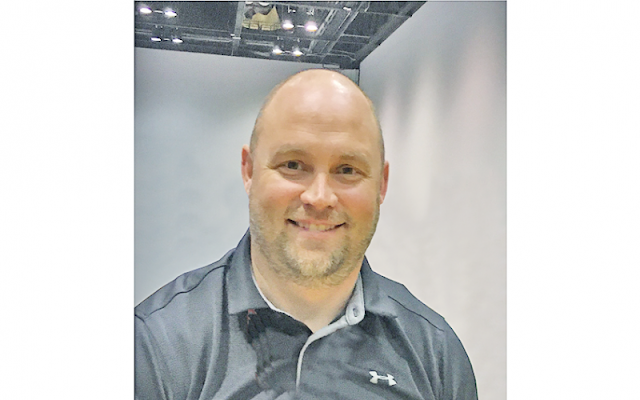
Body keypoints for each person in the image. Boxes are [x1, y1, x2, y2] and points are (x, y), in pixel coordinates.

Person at [135, 69, 477, 399]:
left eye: (347, 169)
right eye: (293, 165)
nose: (319, 197)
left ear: (381, 185)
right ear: (249, 171)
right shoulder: (156, 345)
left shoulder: (436, 354)